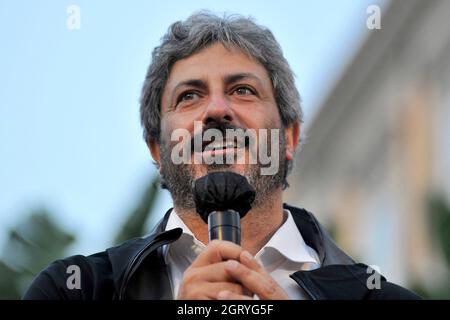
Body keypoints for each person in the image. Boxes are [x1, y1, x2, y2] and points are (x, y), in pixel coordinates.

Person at [23, 12, 420, 300]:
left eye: (243, 90)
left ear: (289, 137)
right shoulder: (73, 290)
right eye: (189, 96)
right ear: (158, 151)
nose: (216, 110)